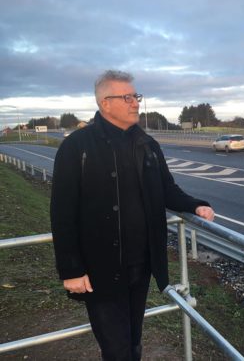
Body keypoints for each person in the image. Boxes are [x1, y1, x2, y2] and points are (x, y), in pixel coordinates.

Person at [50, 70, 215, 360]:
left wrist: (195, 205)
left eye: (136, 96)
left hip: (140, 265)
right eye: (127, 97)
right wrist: (71, 270)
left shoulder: (148, 145)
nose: (135, 103)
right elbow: (62, 212)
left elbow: (167, 190)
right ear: (105, 103)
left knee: (134, 340)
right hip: (100, 267)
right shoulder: (77, 147)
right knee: (116, 349)